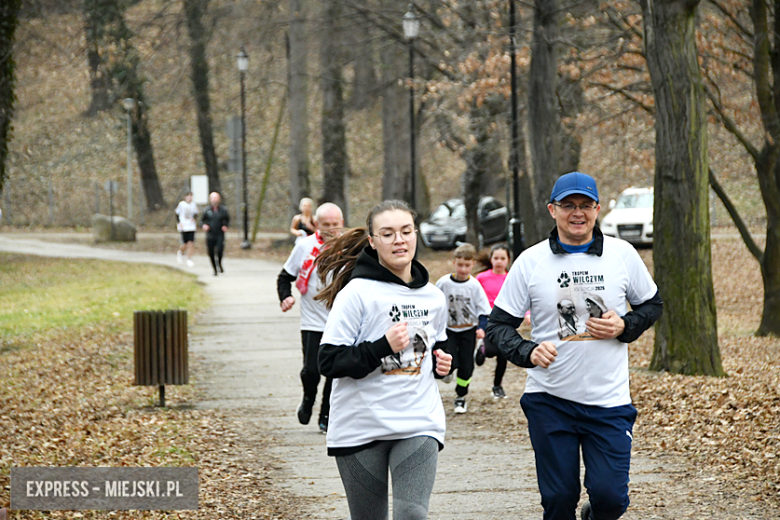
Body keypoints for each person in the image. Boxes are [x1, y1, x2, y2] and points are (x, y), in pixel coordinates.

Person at [486, 171, 663, 520]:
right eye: (568, 205)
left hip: (609, 402)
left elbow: (652, 305)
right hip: (550, 401)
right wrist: (528, 351)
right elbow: (497, 326)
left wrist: (624, 325)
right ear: (553, 210)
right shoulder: (531, 261)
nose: (577, 213)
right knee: (558, 499)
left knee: (611, 499)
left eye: (585, 205)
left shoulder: (622, 254)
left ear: (597, 209)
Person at [315, 200, 453, 520]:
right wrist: (381, 347)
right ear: (373, 242)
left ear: (416, 235)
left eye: (406, 231)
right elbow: (329, 361)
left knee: (412, 515)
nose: (399, 240)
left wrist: (445, 363)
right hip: (360, 428)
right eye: (388, 234)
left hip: (418, 422)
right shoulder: (357, 294)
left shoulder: (432, 296)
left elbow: (438, 347)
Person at [277, 202, 344, 433]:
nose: (331, 230)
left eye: (335, 225)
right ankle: (308, 398)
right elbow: (284, 277)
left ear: (342, 224)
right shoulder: (305, 246)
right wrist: (285, 297)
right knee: (311, 371)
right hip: (312, 321)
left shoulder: (349, 249)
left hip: (341, 322)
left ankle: (326, 415)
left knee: (334, 372)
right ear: (316, 224)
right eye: (326, 225)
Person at [435, 243, 491, 413]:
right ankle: (447, 371)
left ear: (472, 264)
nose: (463, 269)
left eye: (467, 265)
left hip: (468, 329)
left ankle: (460, 396)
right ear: (454, 263)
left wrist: (482, 327)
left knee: (467, 366)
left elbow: (483, 309)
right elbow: (434, 304)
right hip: (449, 329)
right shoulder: (443, 283)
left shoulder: (474, 286)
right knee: (451, 358)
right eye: (460, 265)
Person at [475, 243, 512, 398]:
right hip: (487, 319)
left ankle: (497, 386)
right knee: (491, 351)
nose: (499, 261)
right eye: (496, 258)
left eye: (502, 258)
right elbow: (474, 297)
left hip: (506, 320)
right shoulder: (481, 278)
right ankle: (483, 349)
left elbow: (520, 298)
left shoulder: (511, 278)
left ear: (508, 260)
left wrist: (528, 313)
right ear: (491, 259)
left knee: (503, 354)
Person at [201, 192, 230, 276]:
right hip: (210, 234)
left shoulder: (223, 210)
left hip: (219, 233)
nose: (214, 200)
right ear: (210, 200)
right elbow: (202, 220)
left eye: (216, 198)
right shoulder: (207, 210)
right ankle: (214, 269)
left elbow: (227, 220)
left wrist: (225, 226)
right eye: (213, 198)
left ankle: (219, 263)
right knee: (211, 252)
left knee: (220, 250)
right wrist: (204, 225)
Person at [175, 191, 199, 268]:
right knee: (185, 244)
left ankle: (189, 258)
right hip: (184, 226)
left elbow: (196, 213)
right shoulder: (182, 204)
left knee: (191, 243)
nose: (190, 198)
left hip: (191, 226)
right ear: (185, 197)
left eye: (191, 196)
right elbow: (177, 213)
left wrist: (194, 219)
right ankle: (180, 252)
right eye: (188, 196)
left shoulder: (193, 205)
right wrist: (179, 223)